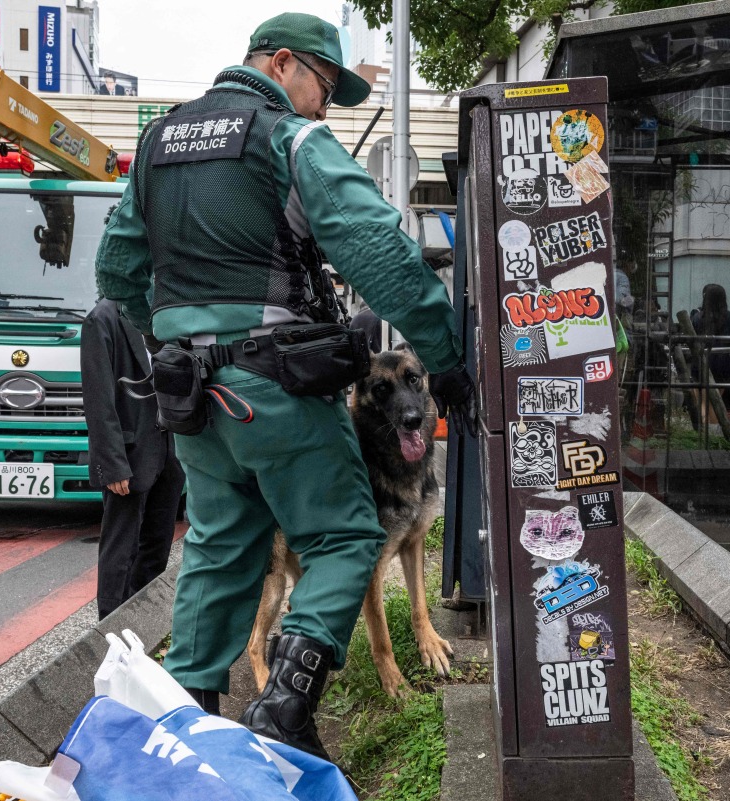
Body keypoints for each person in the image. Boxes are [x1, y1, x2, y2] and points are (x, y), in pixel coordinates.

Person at [93, 12, 476, 760]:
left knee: (218, 546)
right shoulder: (289, 140)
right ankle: (284, 708)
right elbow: (385, 257)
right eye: (324, 86)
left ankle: (184, 727)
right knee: (348, 535)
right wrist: (447, 360)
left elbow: (116, 276)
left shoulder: (156, 146)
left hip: (194, 401)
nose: (324, 107)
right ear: (279, 65)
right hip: (277, 388)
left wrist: (180, 339)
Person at [81, 298, 185, 619]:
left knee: (157, 545)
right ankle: (110, 631)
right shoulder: (101, 319)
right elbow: (98, 401)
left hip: (170, 453)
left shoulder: (167, 311)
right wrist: (112, 464)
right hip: (129, 454)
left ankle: (141, 624)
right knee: (120, 550)